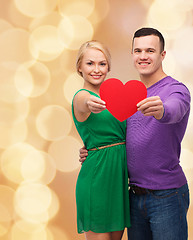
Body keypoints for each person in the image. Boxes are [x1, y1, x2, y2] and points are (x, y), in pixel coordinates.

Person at [80, 28, 191, 240]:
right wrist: (93, 149)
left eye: (150, 50)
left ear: (163, 55)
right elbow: (120, 136)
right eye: (138, 50)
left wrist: (162, 110)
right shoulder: (129, 95)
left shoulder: (176, 90)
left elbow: (175, 109)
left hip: (166, 195)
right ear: (132, 54)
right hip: (132, 196)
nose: (143, 56)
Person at [72, 40, 130, 240]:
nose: (96, 69)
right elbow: (81, 103)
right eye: (90, 63)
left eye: (102, 64)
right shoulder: (82, 96)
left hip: (118, 182)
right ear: (79, 66)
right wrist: (89, 102)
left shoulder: (117, 98)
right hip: (97, 180)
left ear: (108, 67)